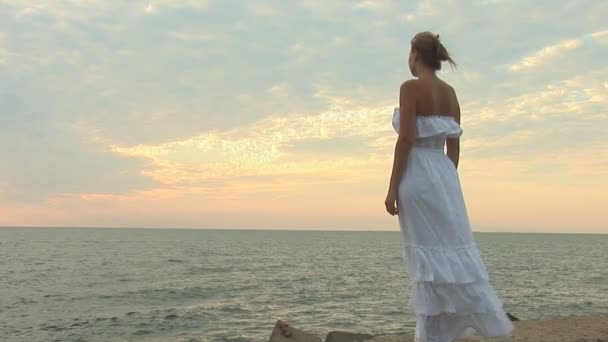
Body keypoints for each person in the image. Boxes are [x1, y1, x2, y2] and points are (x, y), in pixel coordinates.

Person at [384, 32, 514, 341]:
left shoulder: (410, 88)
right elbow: (453, 148)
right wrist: (443, 180)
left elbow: (406, 139)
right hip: (444, 176)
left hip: (416, 172)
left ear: (416, 55)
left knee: (426, 257)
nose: (409, 60)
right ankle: (444, 330)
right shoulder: (451, 93)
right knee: (450, 250)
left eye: (410, 54)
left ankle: (430, 335)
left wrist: (392, 189)